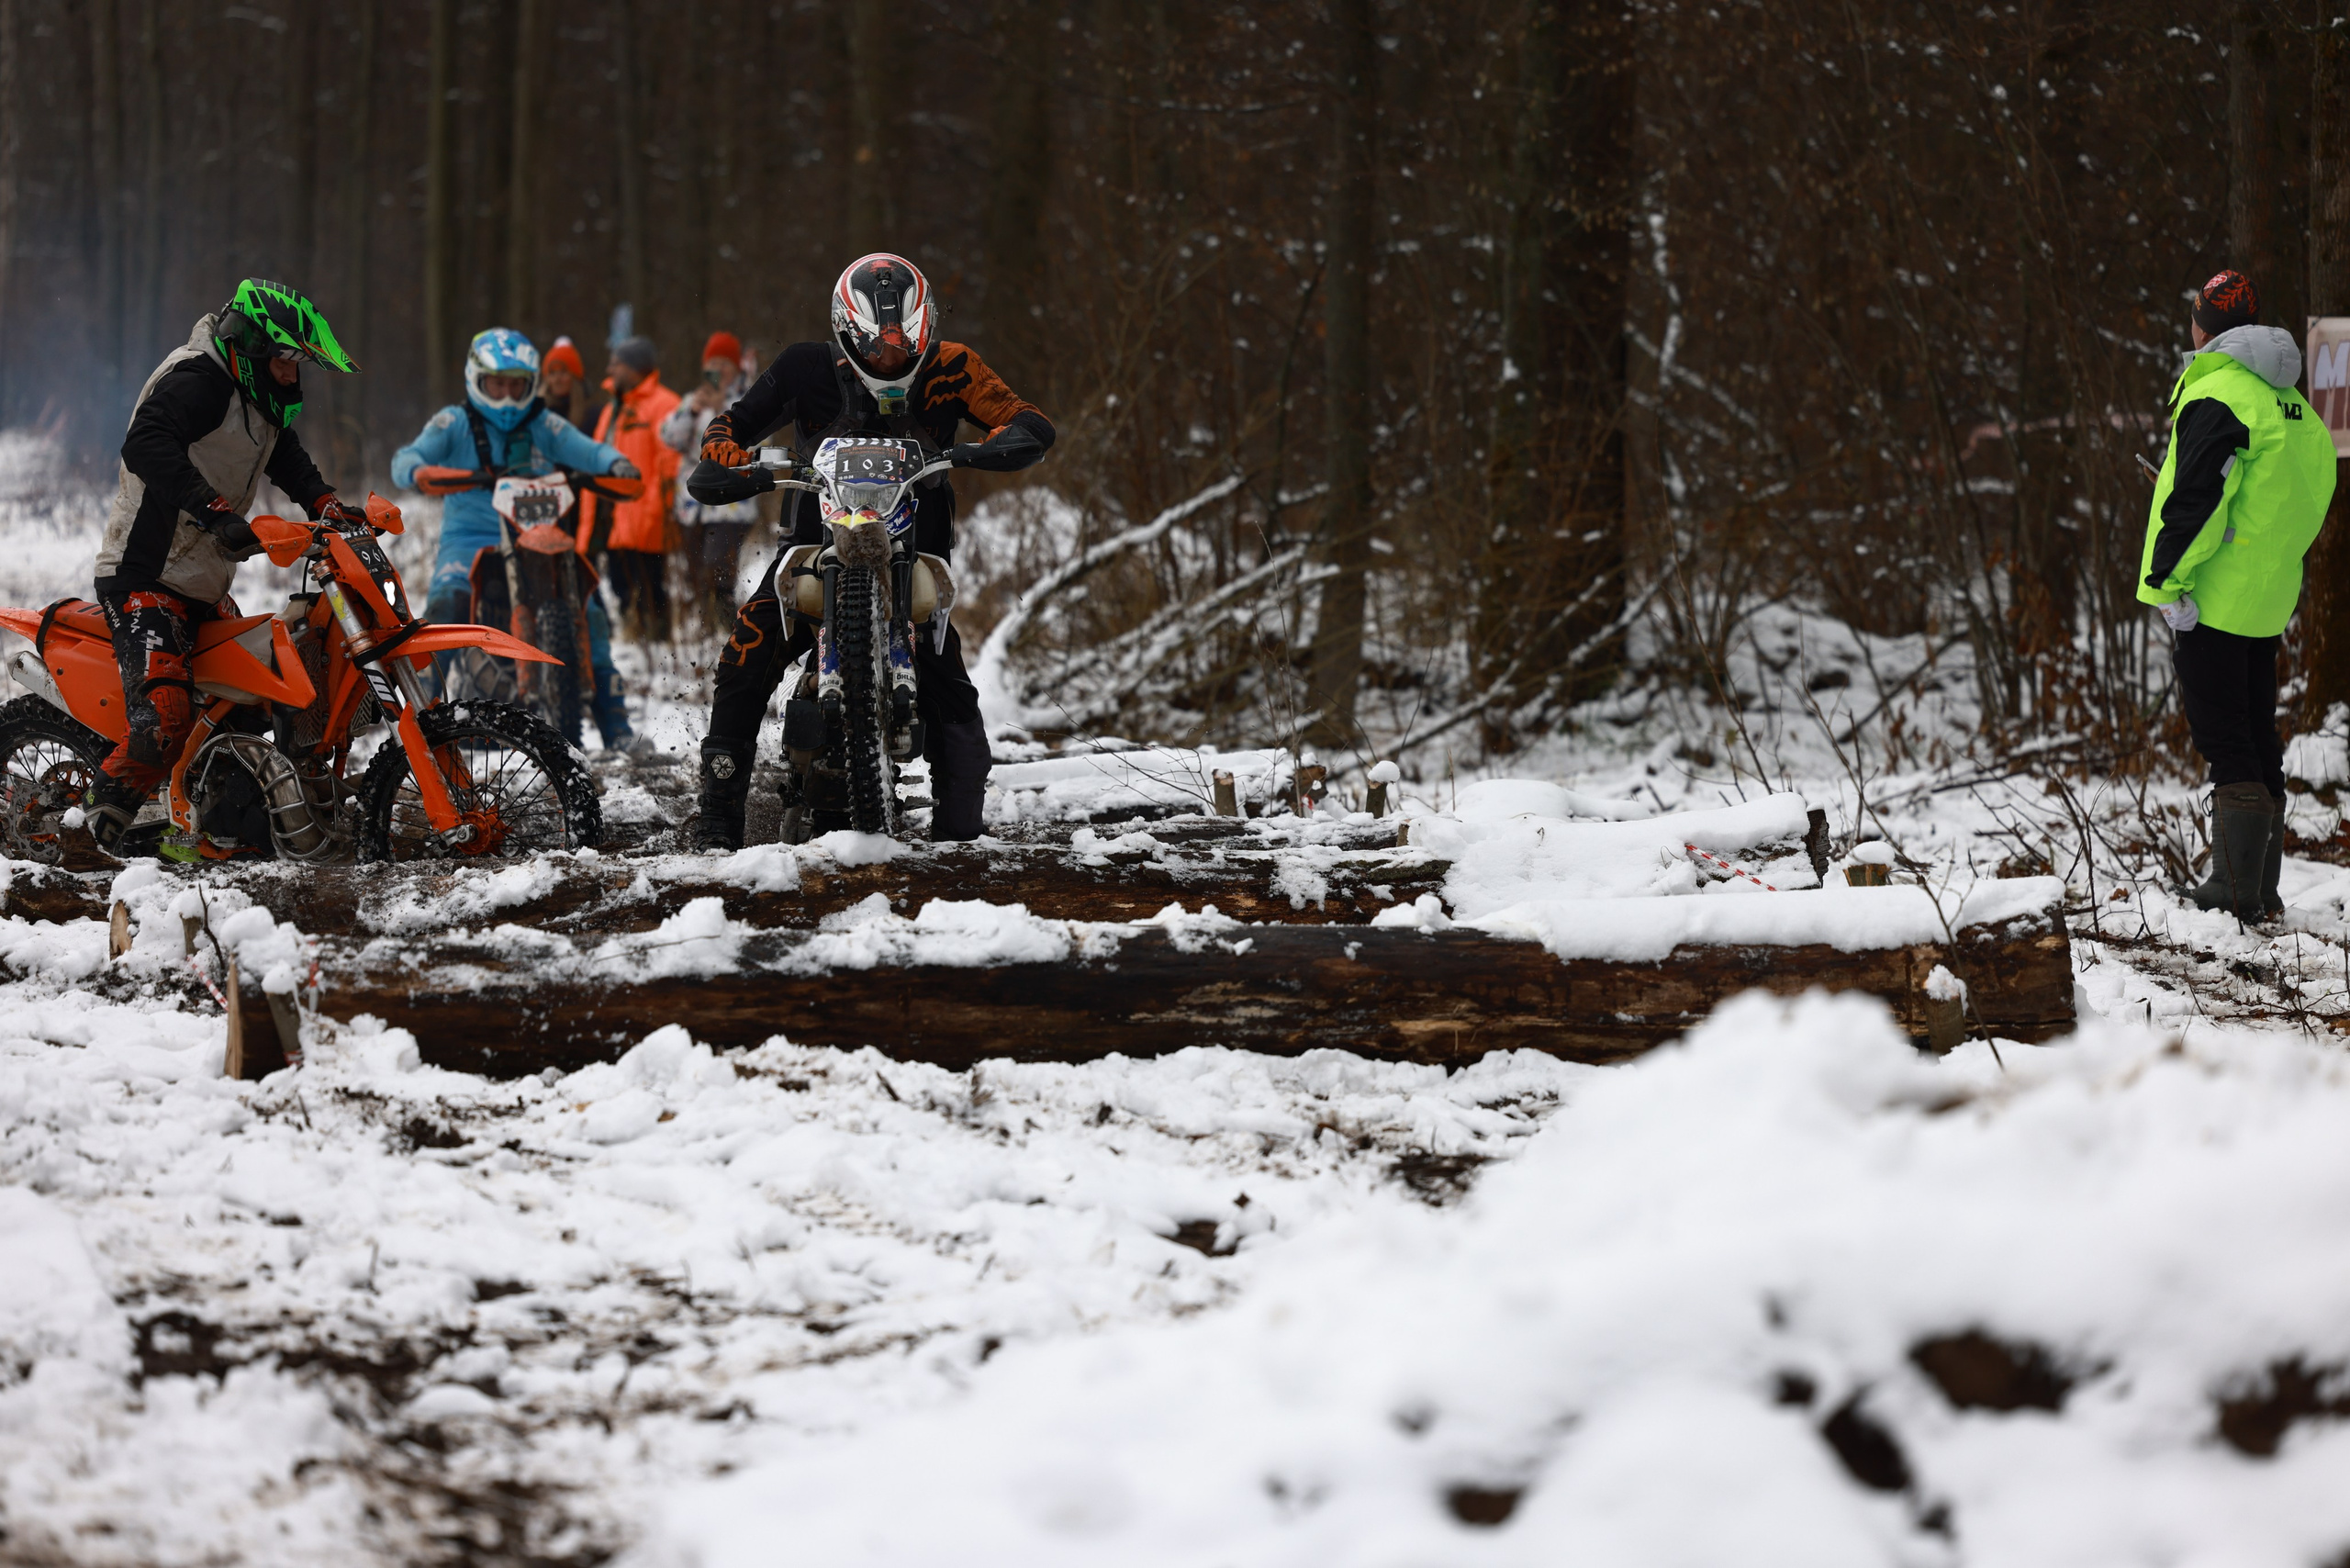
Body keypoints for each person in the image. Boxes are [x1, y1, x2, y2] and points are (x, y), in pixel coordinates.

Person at [689, 252, 1055, 848]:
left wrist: (996, 443)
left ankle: (960, 843)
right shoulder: (806, 366)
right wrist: (731, 458)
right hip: (812, 547)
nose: (893, 355)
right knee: (742, 661)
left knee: (954, 701)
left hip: (916, 560)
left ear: (925, 325)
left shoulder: (951, 367)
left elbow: (1027, 419)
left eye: (905, 339)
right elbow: (730, 426)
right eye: (879, 342)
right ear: (848, 330)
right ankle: (716, 827)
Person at [84, 279, 362, 851]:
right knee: (166, 716)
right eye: (287, 362)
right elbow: (145, 442)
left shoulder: (250, 393)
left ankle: (210, 828)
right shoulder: (197, 381)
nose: (292, 375)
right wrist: (214, 510)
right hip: (145, 577)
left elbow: (282, 452)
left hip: (201, 582)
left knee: (254, 701)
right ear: (254, 348)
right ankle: (92, 827)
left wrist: (324, 503)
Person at [2138, 268, 2338, 920]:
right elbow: (2301, 501)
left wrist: (2168, 579)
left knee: (2225, 738)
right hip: (2267, 596)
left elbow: (2198, 496)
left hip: (2211, 596)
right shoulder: (2294, 408)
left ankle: (2231, 893)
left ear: (2205, 327)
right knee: (2256, 734)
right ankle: (2260, 890)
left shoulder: (2218, 392)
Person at [388, 328, 647, 753]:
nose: (508, 397)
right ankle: (420, 719)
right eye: (497, 384)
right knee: (447, 607)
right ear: (477, 380)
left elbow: (589, 450)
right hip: (471, 537)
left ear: (531, 385)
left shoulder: (544, 423)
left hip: (538, 538)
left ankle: (615, 725)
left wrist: (616, 463)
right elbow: (406, 458)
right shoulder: (453, 422)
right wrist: (417, 472)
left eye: (517, 385)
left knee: (591, 609)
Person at [660, 330, 764, 635]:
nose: (717, 369)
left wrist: (721, 408)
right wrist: (691, 411)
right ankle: (705, 631)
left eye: (724, 363)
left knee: (718, 566)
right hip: (692, 502)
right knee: (693, 570)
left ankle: (729, 628)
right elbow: (669, 438)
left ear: (736, 366)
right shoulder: (693, 399)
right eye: (712, 362)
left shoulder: (748, 400)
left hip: (733, 503)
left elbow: (757, 443)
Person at [583, 336, 682, 643]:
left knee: (652, 584)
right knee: (619, 581)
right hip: (614, 516)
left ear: (635, 368)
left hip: (647, 515)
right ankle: (633, 634)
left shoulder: (665, 405)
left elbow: (669, 464)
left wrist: (656, 509)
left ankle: (658, 642)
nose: (610, 368)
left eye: (616, 363)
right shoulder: (614, 408)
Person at [540, 336, 592, 429]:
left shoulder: (591, 415)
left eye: (563, 372)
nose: (557, 379)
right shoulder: (537, 414)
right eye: (552, 373)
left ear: (575, 378)